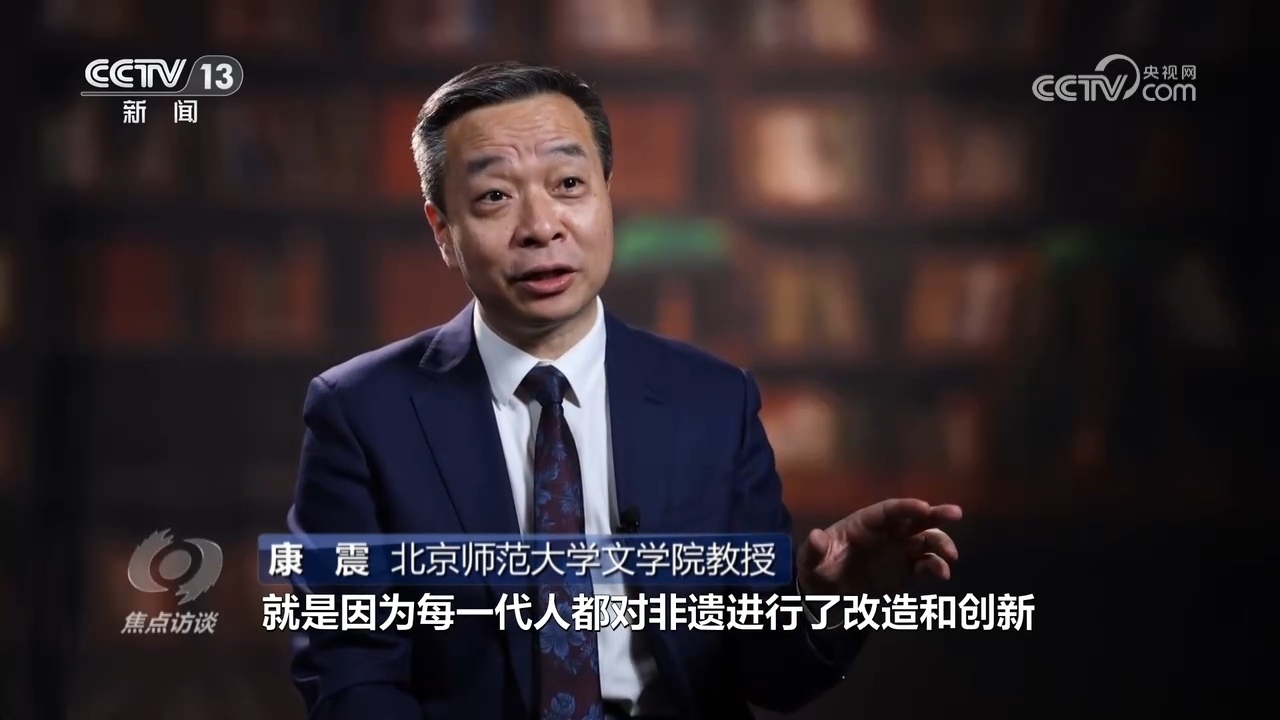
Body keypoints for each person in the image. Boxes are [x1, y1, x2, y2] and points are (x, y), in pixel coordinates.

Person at [287, 61, 962, 720]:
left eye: (569, 184)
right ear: (443, 230)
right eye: (494, 196)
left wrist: (824, 599)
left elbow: (766, 675)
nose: (541, 227)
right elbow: (350, 673)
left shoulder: (715, 402)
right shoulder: (362, 412)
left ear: (607, 195)